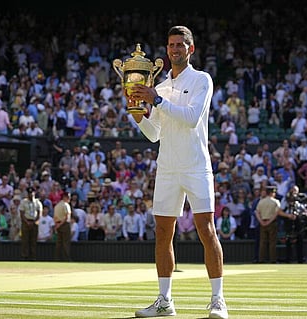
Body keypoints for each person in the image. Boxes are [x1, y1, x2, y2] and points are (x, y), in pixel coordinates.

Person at [128, 25, 228, 319]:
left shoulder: (201, 80)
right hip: (167, 168)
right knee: (162, 233)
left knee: (206, 231)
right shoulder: (158, 87)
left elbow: (191, 118)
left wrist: (155, 100)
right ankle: (164, 301)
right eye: (171, 45)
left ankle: (218, 300)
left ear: (190, 49)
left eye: (180, 45)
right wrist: (136, 115)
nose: (174, 49)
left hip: (197, 166)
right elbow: (154, 134)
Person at [255, 185, 296, 263]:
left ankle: (261, 259)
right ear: (272, 193)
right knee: (272, 242)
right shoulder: (276, 201)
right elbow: (277, 213)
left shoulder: (261, 201)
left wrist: (261, 222)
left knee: (262, 242)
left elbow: (257, 212)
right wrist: (270, 221)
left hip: (263, 222)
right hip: (272, 223)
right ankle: (273, 259)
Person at [19, 187, 42, 260]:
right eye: (29, 194)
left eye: (32, 193)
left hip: (34, 222)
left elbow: (39, 213)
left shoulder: (38, 202)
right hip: (26, 221)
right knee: (25, 240)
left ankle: (33, 256)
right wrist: (27, 222)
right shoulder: (23, 202)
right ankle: (24, 256)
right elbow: (22, 214)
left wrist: (35, 221)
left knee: (33, 240)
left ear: (34, 193)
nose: (30, 195)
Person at [53, 192, 72, 261]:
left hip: (58, 224)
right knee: (66, 242)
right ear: (64, 197)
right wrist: (60, 224)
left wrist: (57, 225)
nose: (69, 198)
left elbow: (55, 217)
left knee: (59, 243)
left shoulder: (57, 205)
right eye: (68, 197)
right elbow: (67, 217)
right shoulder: (66, 205)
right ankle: (66, 258)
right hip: (64, 225)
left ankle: (57, 258)